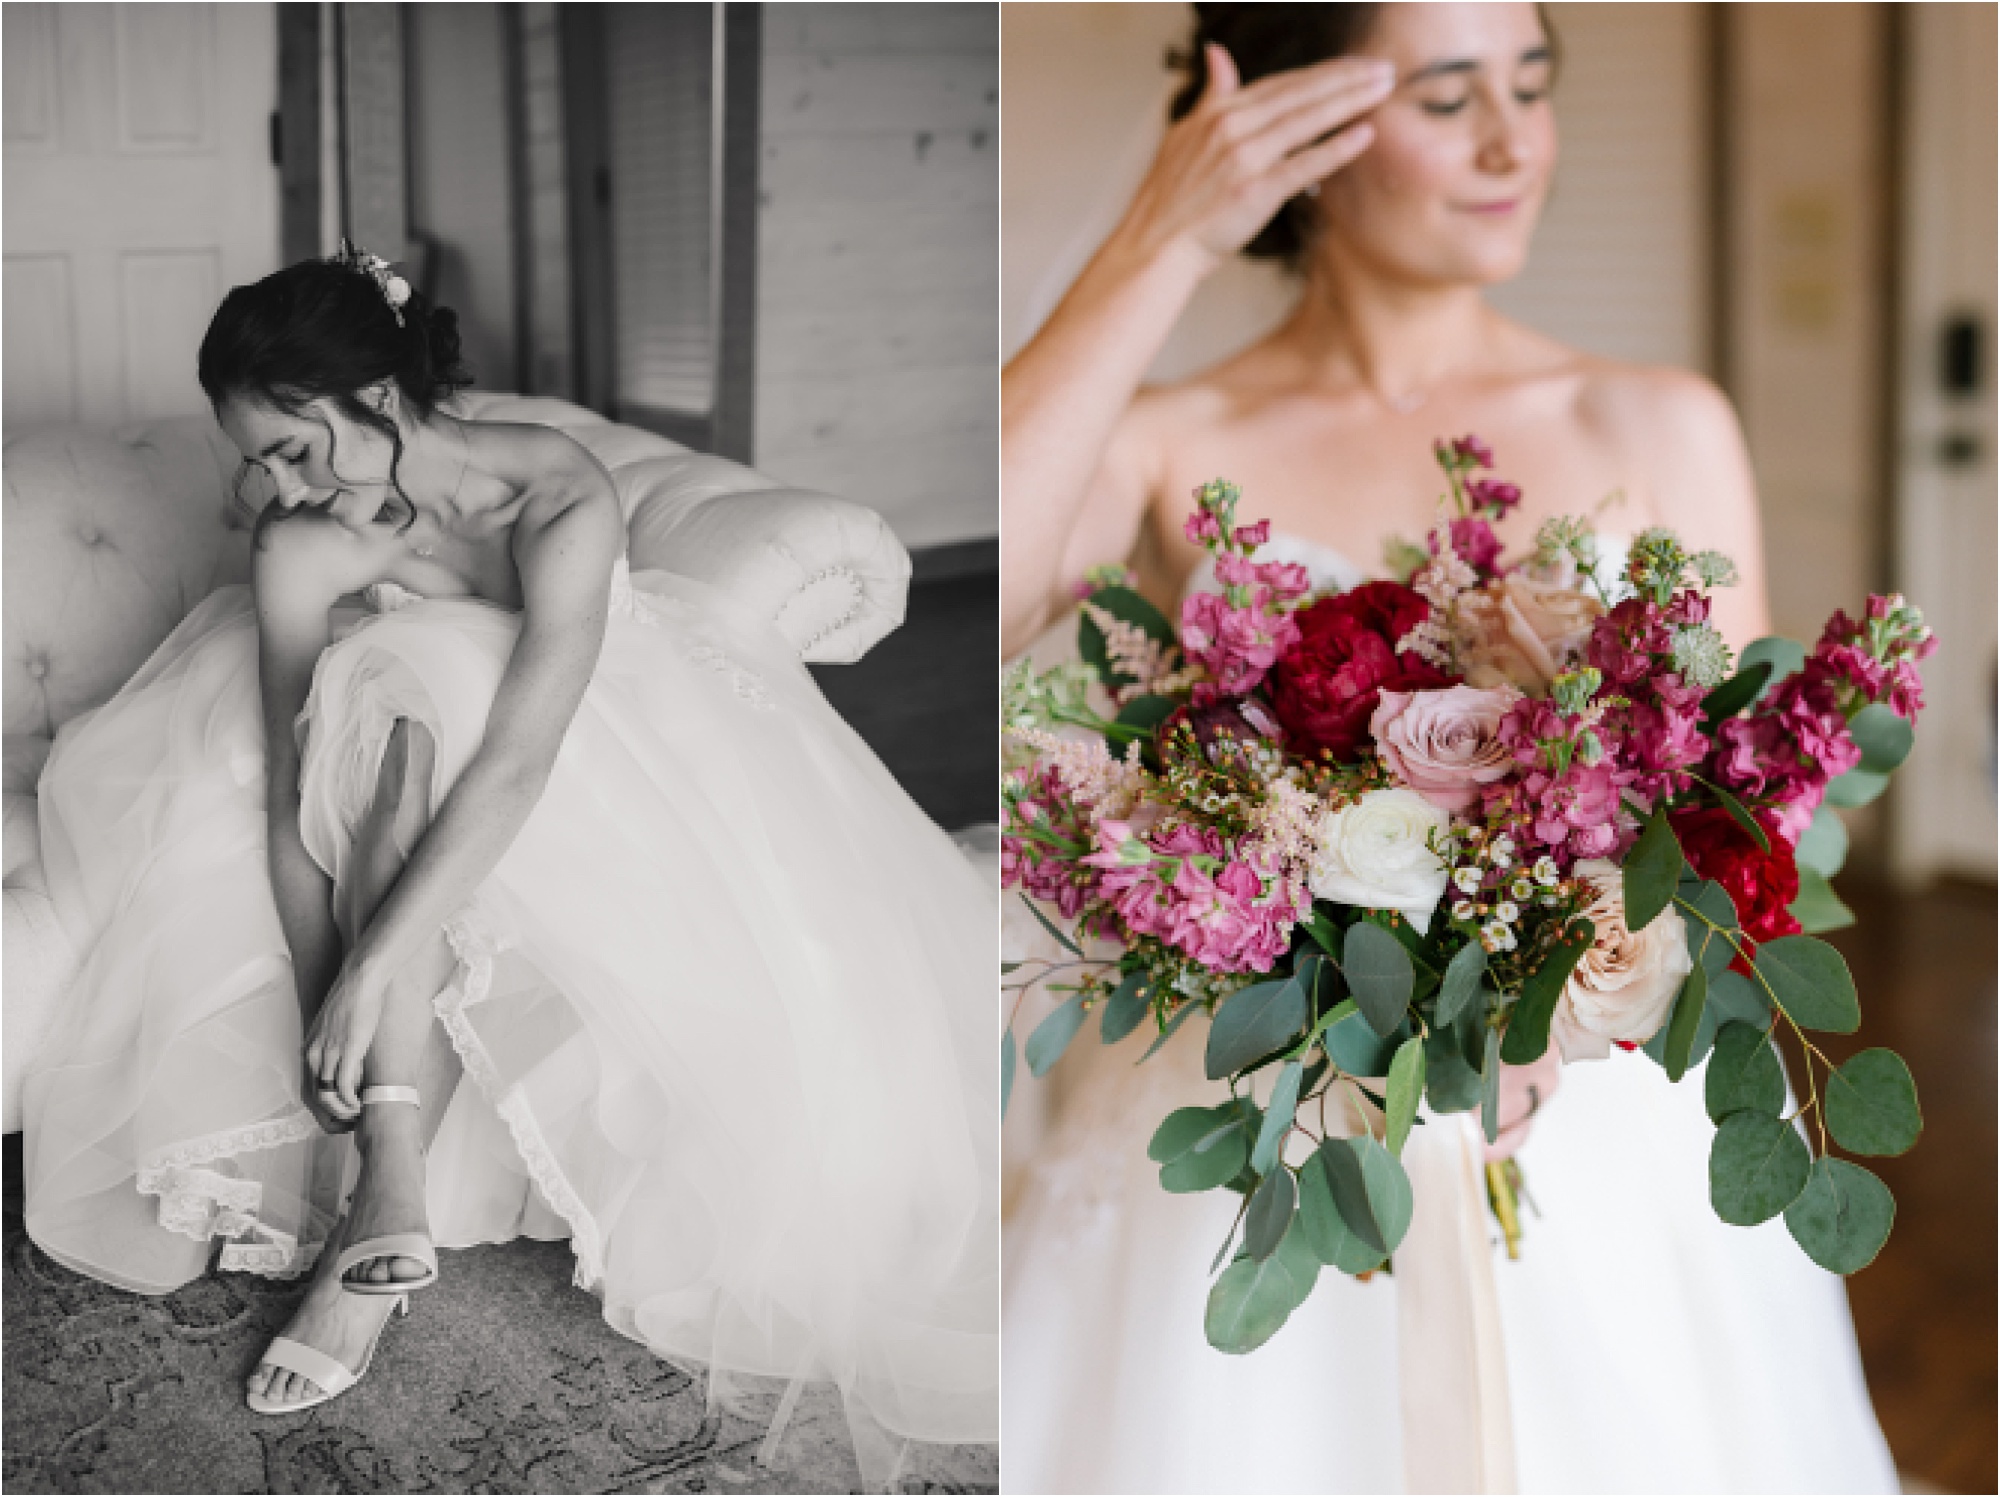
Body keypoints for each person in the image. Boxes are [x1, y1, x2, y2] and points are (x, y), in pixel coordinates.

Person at [999, 5, 1896, 1491]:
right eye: (1449, 96)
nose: (1515, 144)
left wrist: (1555, 1005)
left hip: (1596, 1131)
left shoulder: (1660, 420)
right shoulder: (1170, 438)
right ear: (1290, 130)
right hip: (1268, 1138)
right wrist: (1161, 239)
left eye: (1534, 86)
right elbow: (999, 563)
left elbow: (1740, 827)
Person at [22, 245, 995, 1490]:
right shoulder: (297, 551)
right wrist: (333, 981)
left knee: (417, 689)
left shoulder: (553, 492)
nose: (270, 485)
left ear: (381, 401)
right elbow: (280, 799)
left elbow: (525, 757)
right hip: (385, 775)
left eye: (294, 447)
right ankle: (391, 1180)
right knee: (390, 696)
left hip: (584, 736)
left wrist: (376, 966)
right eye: (251, 456)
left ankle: (383, 1197)